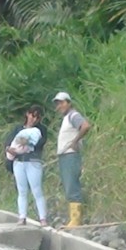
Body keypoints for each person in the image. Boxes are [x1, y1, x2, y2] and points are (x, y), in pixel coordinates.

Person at [4, 105, 48, 226]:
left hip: (33, 162)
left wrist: (27, 143)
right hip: (18, 162)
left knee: (36, 190)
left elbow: (40, 143)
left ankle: (43, 218)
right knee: (21, 190)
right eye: (32, 115)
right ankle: (22, 217)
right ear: (27, 114)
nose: (34, 119)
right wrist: (10, 150)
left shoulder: (41, 130)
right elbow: (8, 142)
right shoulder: (18, 129)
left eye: (37, 117)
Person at [53, 92, 91, 227]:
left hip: (70, 155)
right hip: (65, 155)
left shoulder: (73, 115)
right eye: (58, 104)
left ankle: (76, 219)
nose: (60, 106)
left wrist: (75, 141)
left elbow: (85, 126)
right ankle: (74, 218)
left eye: (62, 103)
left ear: (68, 103)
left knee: (71, 185)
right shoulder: (66, 118)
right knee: (68, 185)